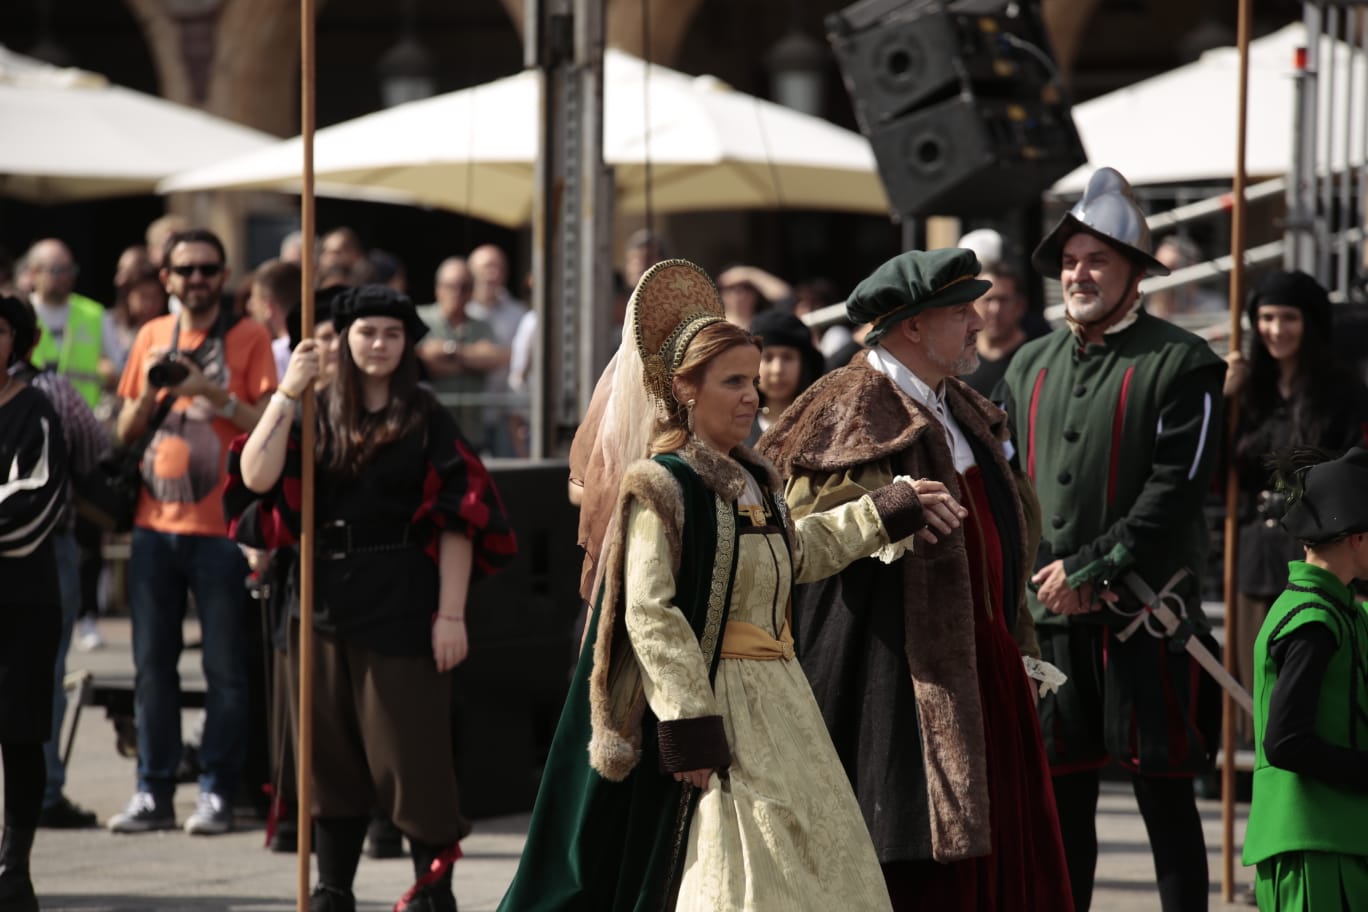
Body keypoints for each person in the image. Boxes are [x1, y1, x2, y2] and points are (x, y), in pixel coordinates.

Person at [499, 258, 944, 912]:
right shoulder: (664, 485)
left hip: (784, 701)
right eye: (733, 382)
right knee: (733, 880)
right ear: (685, 390)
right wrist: (688, 725)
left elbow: (795, 554)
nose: (752, 397)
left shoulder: (753, 479)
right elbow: (650, 615)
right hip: (719, 708)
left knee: (824, 866)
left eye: (754, 381)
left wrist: (881, 513)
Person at [758, 248, 1072, 910]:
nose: (978, 322)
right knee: (914, 873)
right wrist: (883, 511)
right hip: (894, 683)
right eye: (960, 312)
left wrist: (1020, 644)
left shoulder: (958, 403)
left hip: (983, 663)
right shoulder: (849, 404)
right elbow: (801, 541)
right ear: (911, 327)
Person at [227, 284, 516, 912]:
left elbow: (460, 518)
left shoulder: (427, 416)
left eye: (390, 333)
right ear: (344, 341)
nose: (378, 344)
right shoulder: (312, 407)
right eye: (365, 333)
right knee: (326, 760)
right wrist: (286, 389)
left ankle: (432, 892)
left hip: (405, 600)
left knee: (413, 758)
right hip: (318, 600)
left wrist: (452, 614)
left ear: (406, 342)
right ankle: (334, 891)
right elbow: (254, 477)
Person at [996, 167, 1226, 912]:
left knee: (1165, 801)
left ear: (1135, 274)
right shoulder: (1025, 365)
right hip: (1052, 628)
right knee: (1062, 813)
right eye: (1069, 261)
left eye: (1096, 259)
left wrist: (1097, 563)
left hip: (1143, 620)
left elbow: (1177, 488)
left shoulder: (1184, 361)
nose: (1078, 273)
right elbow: (1003, 492)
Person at [107, 228, 277, 837]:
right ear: (168, 278)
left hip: (222, 529)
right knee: (153, 667)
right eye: (186, 270)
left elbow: (265, 424)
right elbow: (124, 431)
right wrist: (153, 389)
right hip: (153, 529)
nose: (198, 279)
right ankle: (152, 791)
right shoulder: (151, 334)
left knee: (225, 669)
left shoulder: (249, 336)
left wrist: (211, 393)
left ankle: (216, 792)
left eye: (208, 269)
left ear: (223, 275)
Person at [1226, 270, 1368, 743]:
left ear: (1310, 323)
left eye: (1288, 317)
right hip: (1254, 551)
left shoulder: (1342, 391)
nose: (1276, 329)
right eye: (1266, 317)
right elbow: (1218, 470)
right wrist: (1222, 395)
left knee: (1312, 685)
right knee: (1260, 683)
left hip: (1317, 551)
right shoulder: (1248, 391)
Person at [1241, 445, 1368, 910]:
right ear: (1355, 537)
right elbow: (1286, 742)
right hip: (1314, 846)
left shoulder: (1338, 610)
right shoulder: (1312, 621)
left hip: (1337, 838)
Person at [7, 300, 111, 829]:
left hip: (42, 556)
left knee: (35, 688)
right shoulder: (52, 392)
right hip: (46, 551)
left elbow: (89, 451)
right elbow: (96, 450)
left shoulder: (46, 398)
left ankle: (41, 797)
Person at [0, 295, 69, 912]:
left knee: (19, 735)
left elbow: (35, 505)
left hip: (21, 602)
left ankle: (13, 869)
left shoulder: (36, 410)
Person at [415, 257, 507, 452]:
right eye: (450, 286)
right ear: (438, 288)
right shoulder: (420, 319)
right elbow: (422, 362)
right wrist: (471, 359)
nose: (456, 293)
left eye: (464, 287)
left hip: (471, 433)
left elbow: (494, 359)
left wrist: (448, 350)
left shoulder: (481, 325)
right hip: (429, 432)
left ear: (472, 291)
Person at [23, 239, 122, 407]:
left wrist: (108, 372)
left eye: (69, 270)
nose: (65, 277)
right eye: (57, 271)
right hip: (33, 417)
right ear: (34, 273)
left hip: (84, 419)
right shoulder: (21, 313)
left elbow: (119, 370)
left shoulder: (94, 314)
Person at [467, 245, 528, 457]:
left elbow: (526, 357)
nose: (492, 274)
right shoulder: (462, 310)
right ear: (471, 271)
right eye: (486, 267)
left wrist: (481, 355)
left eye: (498, 267)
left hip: (507, 413)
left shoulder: (518, 313)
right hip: (469, 414)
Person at [745, 309, 824, 445]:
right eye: (768, 358)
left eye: (787, 357)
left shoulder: (821, 429)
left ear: (804, 364)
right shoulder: (736, 432)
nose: (777, 370)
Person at [961, 262, 1030, 397]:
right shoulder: (956, 360)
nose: (995, 309)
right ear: (973, 305)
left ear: (1020, 306)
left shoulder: (1037, 358)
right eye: (988, 299)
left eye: (1003, 300)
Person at [248, 259, 302, 381]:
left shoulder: (273, 355)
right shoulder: (319, 345)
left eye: (254, 300)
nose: (250, 307)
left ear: (269, 307)